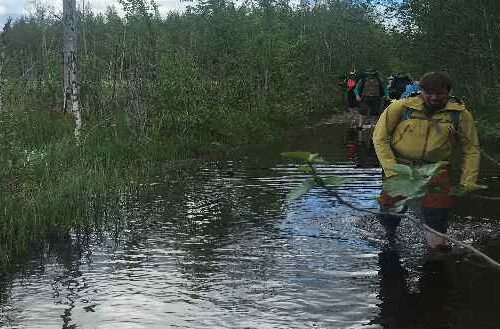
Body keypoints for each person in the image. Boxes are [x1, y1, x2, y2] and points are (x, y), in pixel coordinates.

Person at [372, 71, 480, 248]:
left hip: (436, 171)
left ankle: (436, 251)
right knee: (390, 214)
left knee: (437, 217)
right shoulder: (401, 107)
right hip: (401, 167)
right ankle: (389, 238)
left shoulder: (459, 114)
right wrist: (391, 170)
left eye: (440, 93)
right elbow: (379, 138)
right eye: (429, 93)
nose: (434, 97)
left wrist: (468, 180)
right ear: (421, 91)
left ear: (449, 92)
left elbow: (471, 149)